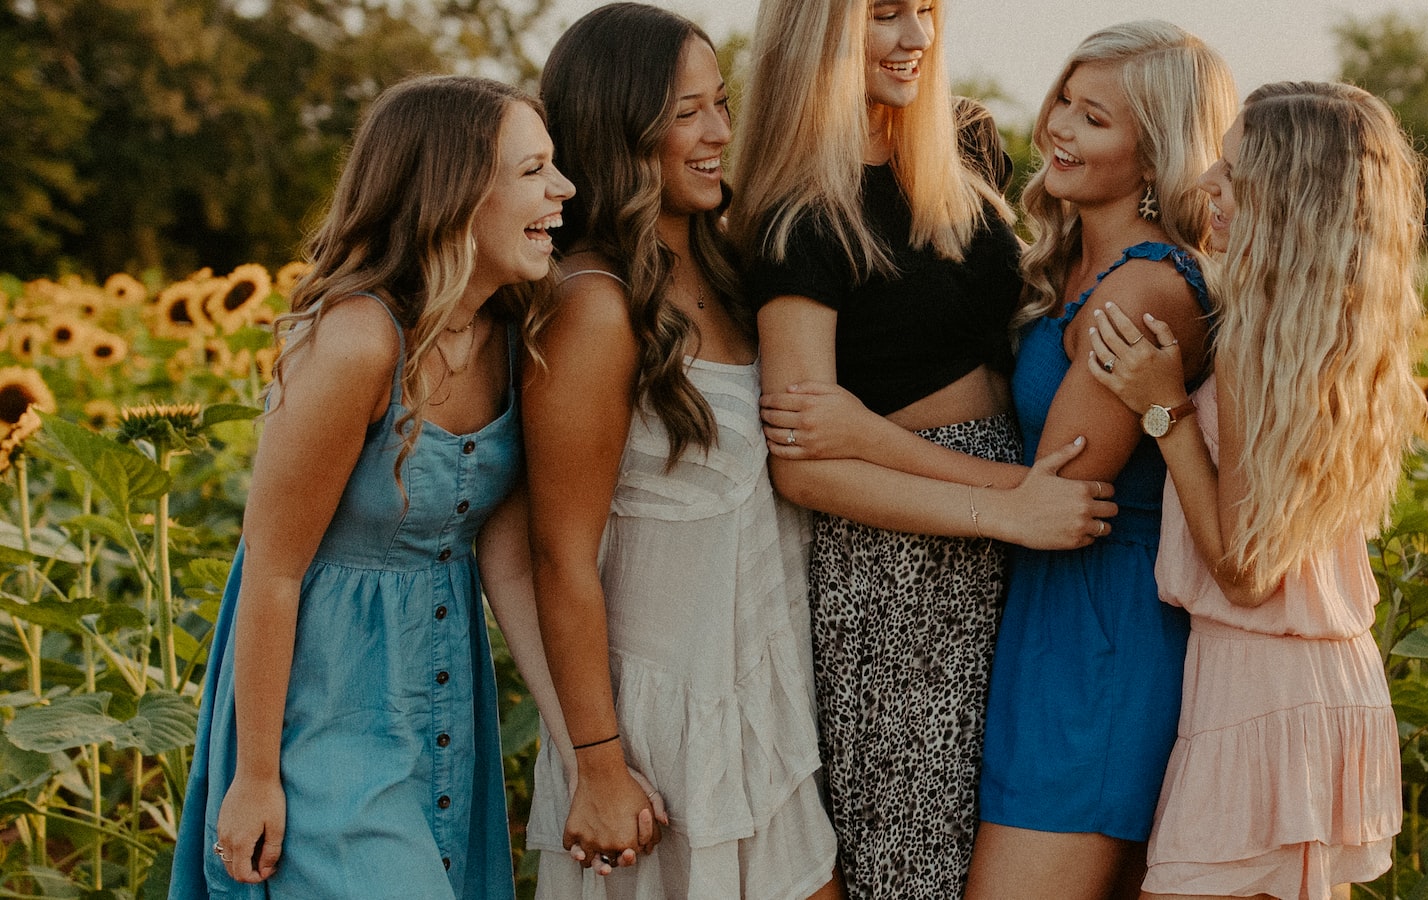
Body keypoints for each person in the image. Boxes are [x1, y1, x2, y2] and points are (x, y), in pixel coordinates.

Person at [731, 1, 1118, 896]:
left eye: (929, 12)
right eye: (885, 14)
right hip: (904, 573)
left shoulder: (962, 150)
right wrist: (1005, 501)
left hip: (1017, 548)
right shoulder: (801, 214)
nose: (916, 38)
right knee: (917, 858)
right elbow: (808, 462)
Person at [169, 75, 574, 899]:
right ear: (453, 194)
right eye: (534, 171)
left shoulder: (509, 337)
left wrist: (578, 748)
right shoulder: (358, 340)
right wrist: (253, 777)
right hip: (322, 711)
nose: (563, 190)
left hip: (441, 699)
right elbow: (272, 569)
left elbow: (506, 562)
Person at [520, 5, 841, 897]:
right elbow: (560, 555)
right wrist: (599, 762)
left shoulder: (735, 268)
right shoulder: (594, 303)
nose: (720, 134)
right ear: (621, 128)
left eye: (721, 104)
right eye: (687, 112)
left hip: (765, 701)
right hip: (655, 736)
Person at [1087, 80, 1417, 900]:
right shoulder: (1340, 333)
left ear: (1290, 202)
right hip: (1328, 685)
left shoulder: (1254, 352)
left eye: (1234, 175)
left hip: (1261, 692)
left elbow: (1243, 569)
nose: (1207, 187)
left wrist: (1164, 411)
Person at [963, 22, 1235, 900]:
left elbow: (1060, 490)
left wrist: (855, 447)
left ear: (1155, 158)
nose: (1059, 131)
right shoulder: (1072, 262)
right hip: (1051, 626)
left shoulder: (1144, 288)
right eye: (1063, 103)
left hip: (1101, 635)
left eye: (1095, 119)